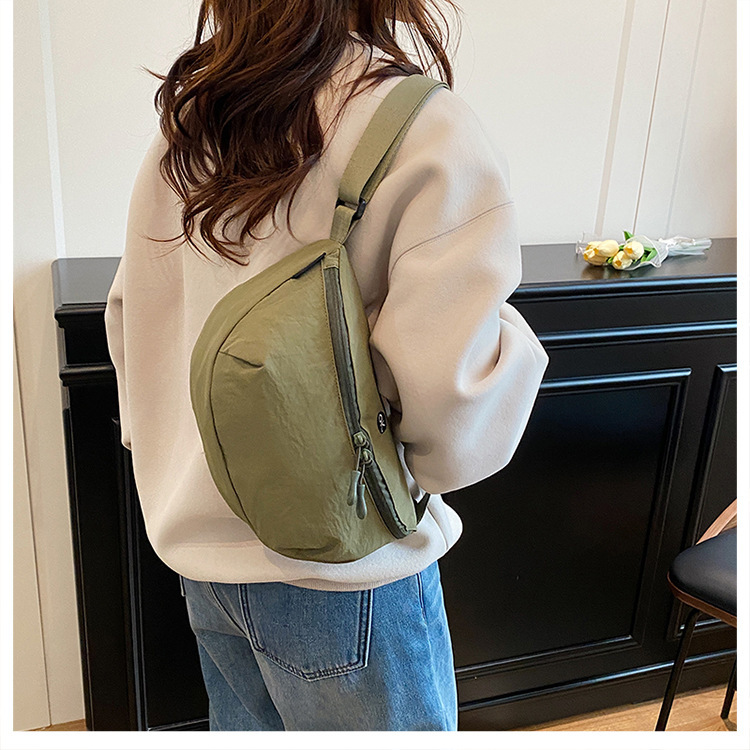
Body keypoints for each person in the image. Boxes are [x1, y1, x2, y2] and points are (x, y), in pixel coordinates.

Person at [104, 0, 549, 732]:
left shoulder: (193, 123)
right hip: (346, 569)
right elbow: (454, 424)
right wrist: (519, 347)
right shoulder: (422, 129)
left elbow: (132, 319)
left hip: (202, 560)